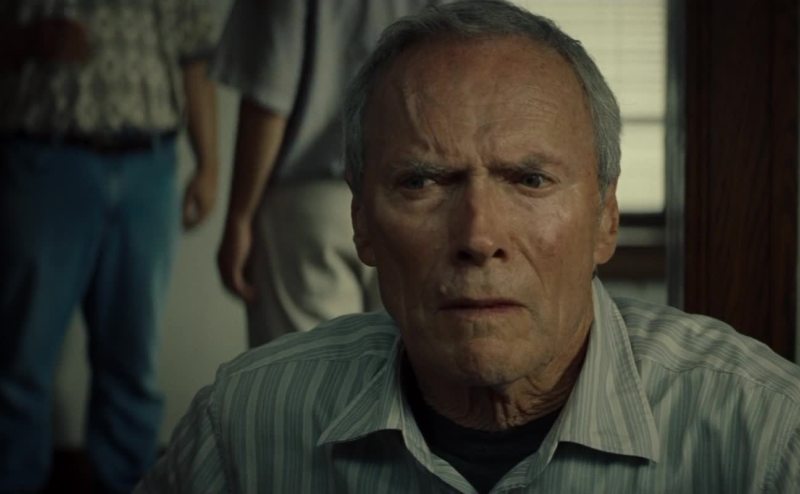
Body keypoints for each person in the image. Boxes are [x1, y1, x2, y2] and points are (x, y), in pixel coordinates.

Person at [137, 1, 800, 492]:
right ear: (362, 222)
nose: (479, 237)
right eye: (423, 182)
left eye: (530, 180)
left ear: (606, 218)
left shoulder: (763, 439)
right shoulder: (244, 431)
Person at [0, 1, 218, 492]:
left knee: (132, 361)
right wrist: (28, 40)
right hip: (44, 159)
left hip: (149, 164)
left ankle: (127, 485)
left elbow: (195, 57)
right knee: (21, 361)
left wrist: (209, 165)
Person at [213, 0, 448, 346]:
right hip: (418, 197)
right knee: (399, 366)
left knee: (308, 371)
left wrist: (239, 216)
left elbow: (270, 96)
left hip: (310, 204)